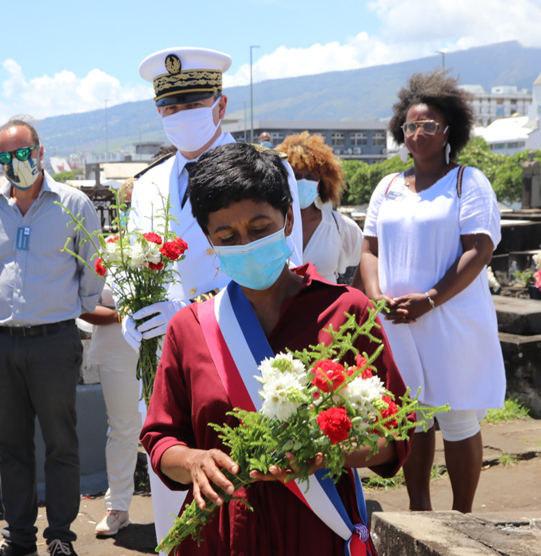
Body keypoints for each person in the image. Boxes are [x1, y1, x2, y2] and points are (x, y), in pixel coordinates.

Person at [140, 142, 411, 555]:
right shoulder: (191, 328)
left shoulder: (345, 312)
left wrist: (325, 453)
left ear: (287, 220)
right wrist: (193, 461)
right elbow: (161, 438)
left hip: (318, 528)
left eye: (260, 227)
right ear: (209, 240)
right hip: (220, 534)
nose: (245, 243)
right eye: (227, 235)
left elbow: (393, 438)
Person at [127, 46, 305, 547]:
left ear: (220, 106)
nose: (179, 116)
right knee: (174, 505)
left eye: (192, 104)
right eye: (169, 107)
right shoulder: (148, 185)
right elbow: (134, 259)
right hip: (163, 362)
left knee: (253, 503)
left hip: (239, 355)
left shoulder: (268, 171)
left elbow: (279, 267)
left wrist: (187, 313)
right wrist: (131, 313)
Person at [360, 69, 505, 514]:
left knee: (457, 416)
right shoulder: (386, 187)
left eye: (428, 125)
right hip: (399, 321)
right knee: (413, 418)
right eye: (410, 125)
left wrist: (430, 299)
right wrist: (376, 296)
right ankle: (419, 512)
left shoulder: (467, 181)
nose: (417, 132)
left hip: (450, 319)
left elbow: (479, 249)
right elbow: (369, 248)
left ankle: (464, 518)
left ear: (449, 132)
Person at [0, 118, 102, 556]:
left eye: (23, 152)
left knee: (60, 443)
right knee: (10, 446)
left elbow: (91, 268)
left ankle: (61, 537)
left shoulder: (74, 203)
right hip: (1, 343)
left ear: (40, 152)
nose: (16, 162)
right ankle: (18, 536)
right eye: (6, 156)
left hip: (54, 341)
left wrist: (65, 308)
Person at [78, 179, 141, 538]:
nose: (132, 210)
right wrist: (125, 316)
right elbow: (85, 305)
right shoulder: (103, 250)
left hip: (166, 345)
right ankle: (118, 507)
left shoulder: (175, 244)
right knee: (122, 428)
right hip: (117, 349)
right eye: (127, 203)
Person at [276, 131, 363, 285]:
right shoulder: (272, 227)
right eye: (296, 176)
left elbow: (365, 262)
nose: (302, 182)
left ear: (321, 182)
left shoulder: (340, 226)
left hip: (329, 309)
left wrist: (350, 301)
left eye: (310, 177)